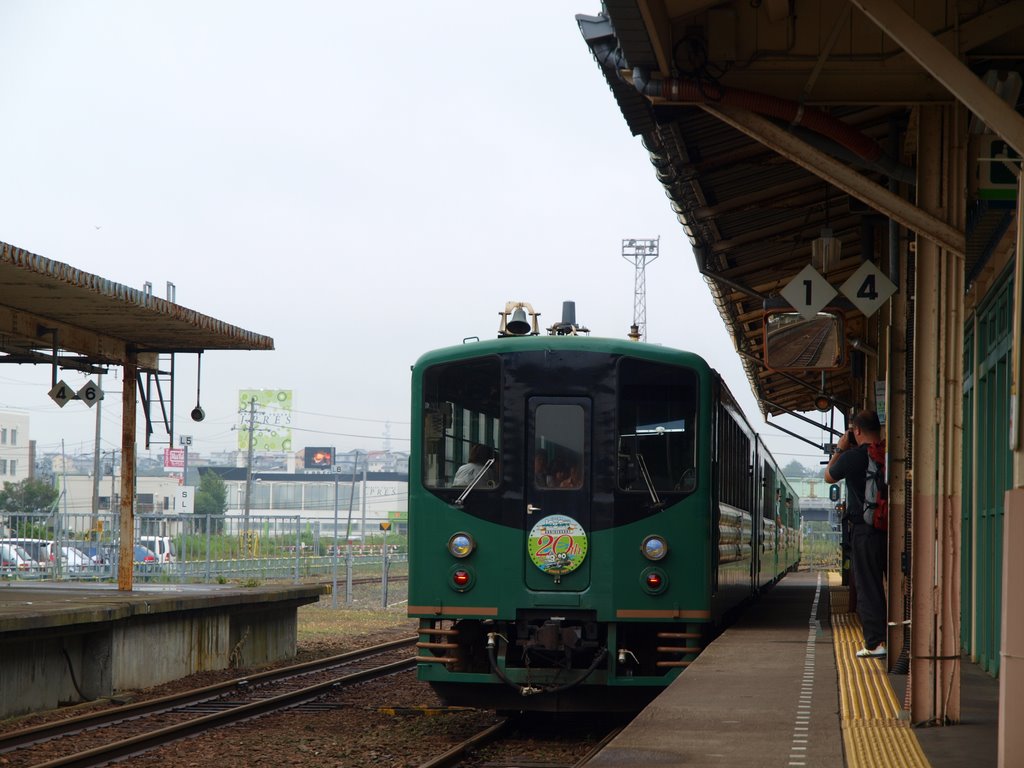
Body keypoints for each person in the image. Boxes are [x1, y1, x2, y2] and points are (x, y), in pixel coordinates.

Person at [825, 409, 887, 658]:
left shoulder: (853, 457)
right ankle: (894, 636)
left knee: (868, 586)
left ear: (856, 431)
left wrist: (840, 448)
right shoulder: (887, 454)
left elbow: (829, 476)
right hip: (889, 528)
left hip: (865, 531)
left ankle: (875, 643)